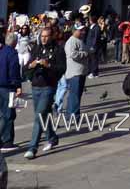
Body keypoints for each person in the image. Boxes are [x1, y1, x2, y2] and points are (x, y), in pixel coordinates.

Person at [24, 24, 66, 159]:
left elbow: (62, 68)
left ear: (51, 37)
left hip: (48, 87)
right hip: (35, 86)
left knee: (39, 116)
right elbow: (27, 68)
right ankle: (52, 137)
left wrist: (49, 65)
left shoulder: (58, 50)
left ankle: (32, 148)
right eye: (42, 36)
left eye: (46, 36)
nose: (44, 39)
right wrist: (31, 65)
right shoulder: (36, 49)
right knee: (44, 114)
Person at [0, 33, 22, 152]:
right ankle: (7, 141)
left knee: (2, 114)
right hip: (8, 87)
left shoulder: (1, 51)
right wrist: (18, 85)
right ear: (14, 42)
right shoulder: (12, 53)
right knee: (9, 114)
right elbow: (14, 70)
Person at [64, 21, 89, 118]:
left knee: (77, 95)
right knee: (74, 96)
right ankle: (73, 115)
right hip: (75, 73)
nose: (83, 32)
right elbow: (73, 54)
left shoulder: (80, 40)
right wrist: (85, 53)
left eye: (83, 30)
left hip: (80, 72)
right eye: (81, 30)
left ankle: (72, 114)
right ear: (75, 30)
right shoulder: (72, 41)